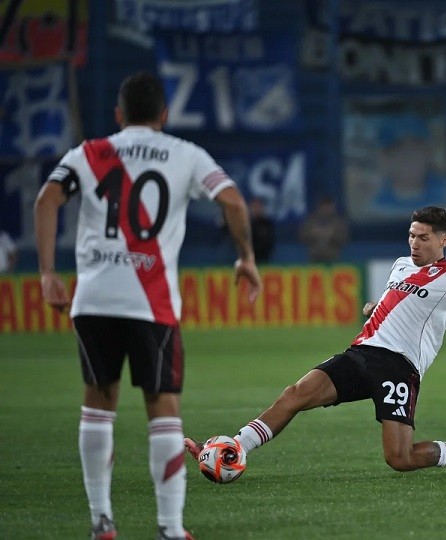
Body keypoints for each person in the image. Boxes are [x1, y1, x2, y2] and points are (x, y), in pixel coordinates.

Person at [34, 71, 261, 539]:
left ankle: (101, 521)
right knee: (163, 408)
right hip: (151, 302)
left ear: (118, 115)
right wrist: (245, 258)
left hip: (93, 298)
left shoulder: (89, 153)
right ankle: (170, 528)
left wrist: (47, 272)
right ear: (164, 114)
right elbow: (234, 202)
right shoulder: (186, 154)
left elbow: (46, 200)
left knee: (98, 405)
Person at [186, 206, 446, 477]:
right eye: (411, 235)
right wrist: (375, 309)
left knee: (400, 458)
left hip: (399, 367)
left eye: (423, 238)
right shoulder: (401, 265)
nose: (414, 243)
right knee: (295, 394)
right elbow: (397, 304)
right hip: (361, 354)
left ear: (443, 240)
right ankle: (236, 447)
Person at [298, 196, 349, 263]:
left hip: (333, 259)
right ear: (320, 207)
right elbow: (302, 236)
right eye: (325, 207)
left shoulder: (339, 223)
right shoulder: (311, 221)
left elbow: (343, 239)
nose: (327, 209)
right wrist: (313, 233)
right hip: (314, 258)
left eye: (329, 207)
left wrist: (331, 235)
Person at [248, 197, 275, 263]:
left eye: (258, 206)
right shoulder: (246, 223)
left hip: (264, 256)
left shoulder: (267, 223)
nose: (256, 209)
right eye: (254, 206)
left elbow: (271, 240)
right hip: (248, 255)